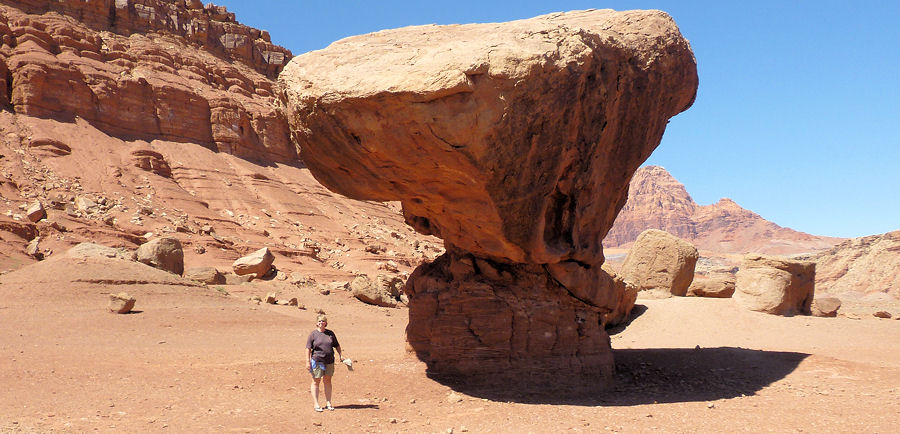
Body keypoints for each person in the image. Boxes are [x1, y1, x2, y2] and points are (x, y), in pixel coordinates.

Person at [306, 313, 345, 412]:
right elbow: (308, 348)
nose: (321, 322)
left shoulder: (330, 334)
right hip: (317, 360)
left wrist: (341, 355)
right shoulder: (313, 334)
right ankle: (316, 404)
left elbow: (337, 345)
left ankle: (328, 402)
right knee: (316, 381)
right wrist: (308, 361)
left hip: (329, 361)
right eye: (319, 321)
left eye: (323, 321)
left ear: (326, 323)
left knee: (327, 381)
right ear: (316, 323)